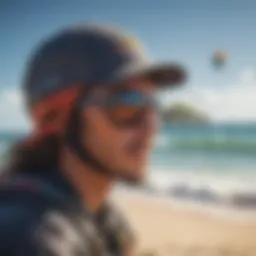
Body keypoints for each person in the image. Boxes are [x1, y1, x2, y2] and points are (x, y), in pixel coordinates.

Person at [0, 23, 186, 255]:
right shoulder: (29, 239)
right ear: (56, 117)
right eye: (128, 105)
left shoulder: (104, 218)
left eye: (153, 106)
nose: (152, 127)